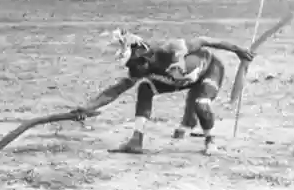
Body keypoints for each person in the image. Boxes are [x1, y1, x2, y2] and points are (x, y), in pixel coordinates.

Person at [72, 29, 255, 155]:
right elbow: (115, 90)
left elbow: (205, 41)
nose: (132, 71)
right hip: (180, 79)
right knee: (145, 88)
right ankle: (136, 140)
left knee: (201, 103)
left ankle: (210, 140)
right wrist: (87, 108)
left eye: (132, 65)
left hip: (209, 70)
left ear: (142, 57)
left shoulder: (170, 49)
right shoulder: (140, 68)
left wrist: (238, 51)